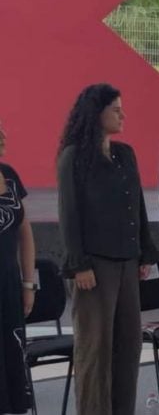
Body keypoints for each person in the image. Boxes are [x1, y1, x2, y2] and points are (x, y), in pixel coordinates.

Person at [56, 84, 159, 415]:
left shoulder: (125, 154)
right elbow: (69, 213)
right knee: (95, 349)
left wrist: (145, 252)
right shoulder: (74, 156)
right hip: (94, 266)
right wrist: (79, 264)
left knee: (128, 346)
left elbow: (137, 208)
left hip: (127, 261)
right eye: (116, 109)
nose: (123, 114)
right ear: (96, 113)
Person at [0, 121, 36, 415]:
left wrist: (28, 284)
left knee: (13, 362)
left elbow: (25, 235)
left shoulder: (9, 176)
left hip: (10, 287)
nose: (3, 136)